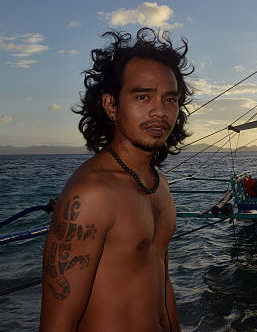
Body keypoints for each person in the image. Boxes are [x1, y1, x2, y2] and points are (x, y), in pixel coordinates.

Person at [40, 28, 193, 331]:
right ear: (111, 105)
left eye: (170, 99)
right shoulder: (91, 195)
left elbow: (161, 281)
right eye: (142, 96)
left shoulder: (158, 185)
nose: (160, 111)